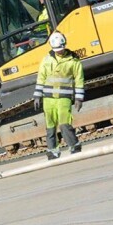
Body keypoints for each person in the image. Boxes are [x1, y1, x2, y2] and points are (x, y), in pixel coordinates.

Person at [33, 31, 85, 160]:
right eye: (56, 50)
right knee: (50, 125)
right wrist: (37, 95)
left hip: (64, 97)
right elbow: (41, 78)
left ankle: (74, 146)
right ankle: (52, 150)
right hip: (48, 98)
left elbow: (79, 80)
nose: (59, 52)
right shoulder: (47, 60)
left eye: (61, 49)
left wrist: (79, 98)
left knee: (64, 123)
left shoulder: (73, 61)